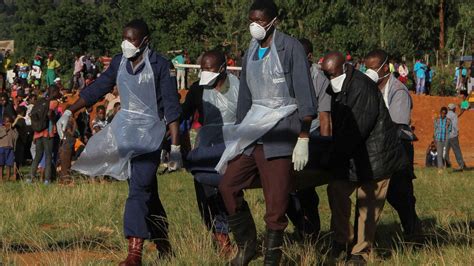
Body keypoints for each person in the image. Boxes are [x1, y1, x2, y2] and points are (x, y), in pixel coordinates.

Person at [56, 19, 183, 265]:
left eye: (131, 39)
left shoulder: (161, 66)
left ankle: (134, 253)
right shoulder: (118, 62)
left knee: (138, 188)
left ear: (145, 40)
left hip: (151, 136)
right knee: (147, 192)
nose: (126, 43)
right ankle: (165, 245)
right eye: (124, 37)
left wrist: (176, 147)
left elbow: (171, 106)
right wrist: (71, 111)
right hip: (125, 132)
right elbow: (98, 89)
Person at [216, 1, 317, 264]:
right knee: (228, 185)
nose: (254, 26)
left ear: (273, 21)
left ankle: (272, 258)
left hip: (281, 129)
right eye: (251, 20)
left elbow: (305, 94)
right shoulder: (249, 51)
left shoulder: (290, 47)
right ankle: (247, 244)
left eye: (259, 21)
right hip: (253, 129)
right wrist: (240, 132)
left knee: (276, 202)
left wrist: (303, 137)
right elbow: (245, 98)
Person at [321, 51, 406, 264]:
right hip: (354, 153)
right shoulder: (337, 86)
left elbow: (355, 131)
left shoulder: (362, 87)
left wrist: (332, 157)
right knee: (336, 191)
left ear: (344, 68)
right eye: (326, 75)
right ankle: (343, 240)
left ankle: (360, 251)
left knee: (368, 204)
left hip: (376, 154)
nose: (330, 79)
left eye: (333, 74)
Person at [182, 50, 240, 256]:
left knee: (231, 191)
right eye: (202, 69)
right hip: (209, 148)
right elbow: (184, 115)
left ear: (223, 68)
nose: (205, 73)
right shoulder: (198, 90)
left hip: (235, 147)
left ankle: (241, 233)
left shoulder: (239, 88)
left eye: (210, 69)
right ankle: (222, 237)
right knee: (207, 190)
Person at [365, 49, 421, 237]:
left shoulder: (398, 90)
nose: (369, 72)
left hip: (398, 147)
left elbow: (397, 123)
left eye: (373, 68)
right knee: (385, 194)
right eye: (366, 68)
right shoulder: (371, 88)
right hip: (379, 146)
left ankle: (413, 232)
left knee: (401, 194)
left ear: (385, 68)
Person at [285, 38, 332, 242]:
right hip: (286, 134)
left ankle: (311, 230)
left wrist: (327, 148)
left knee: (304, 186)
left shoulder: (319, 78)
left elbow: (324, 117)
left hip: (309, 135)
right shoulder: (286, 72)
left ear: (310, 57)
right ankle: (301, 225)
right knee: (282, 185)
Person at [29, 85, 62, 184]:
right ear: (54, 92)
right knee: (48, 156)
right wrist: (54, 121)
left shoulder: (40, 101)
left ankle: (31, 177)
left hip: (38, 132)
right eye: (57, 91)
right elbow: (49, 114)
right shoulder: (54, 102)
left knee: (38, 156)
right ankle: (47, 180)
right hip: (48, 132)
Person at [445, 103, 466, 171]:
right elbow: (455, 125)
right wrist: (457, 132)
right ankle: (461, 165)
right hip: (453, 135)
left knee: (445, 151)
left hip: (446, 136)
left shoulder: (445, 114)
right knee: (457, 150)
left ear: (448, 108)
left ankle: (446, 164)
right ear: (454, 109)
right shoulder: (454, 115)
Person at [12, 106, 29, 179]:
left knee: (18, 159)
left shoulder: (19, 119)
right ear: (22, 112)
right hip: (19, 141)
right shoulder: (21, 120)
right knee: (17, 159)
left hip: (19, 141)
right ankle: (15, 174)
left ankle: (17, 173)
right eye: (25, 112)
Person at [433, 107, 451, 171]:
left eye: (445, 113)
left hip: (445, 140)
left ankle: (447, 165)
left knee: (445, 154)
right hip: (438, 139)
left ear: (446, 113)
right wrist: (434, 139)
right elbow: (435, 130)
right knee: (439, 154)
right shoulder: (436, 120)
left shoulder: (448, 121)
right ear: (440, 112)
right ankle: (440, 168)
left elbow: (449, 130)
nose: (443, 114)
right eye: (442, 113)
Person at [0, 116, 17, 181]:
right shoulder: (1, 128)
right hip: (1, 148)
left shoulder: (12, 129)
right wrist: (6, 130)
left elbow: (15, 137)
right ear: (4, 122)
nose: (8, 123)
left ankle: (8, 178)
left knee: (9, 164)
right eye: (7, 122)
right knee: (1, 164)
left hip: (10, 148)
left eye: (9, 122)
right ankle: (1, 178)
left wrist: (12, 129)